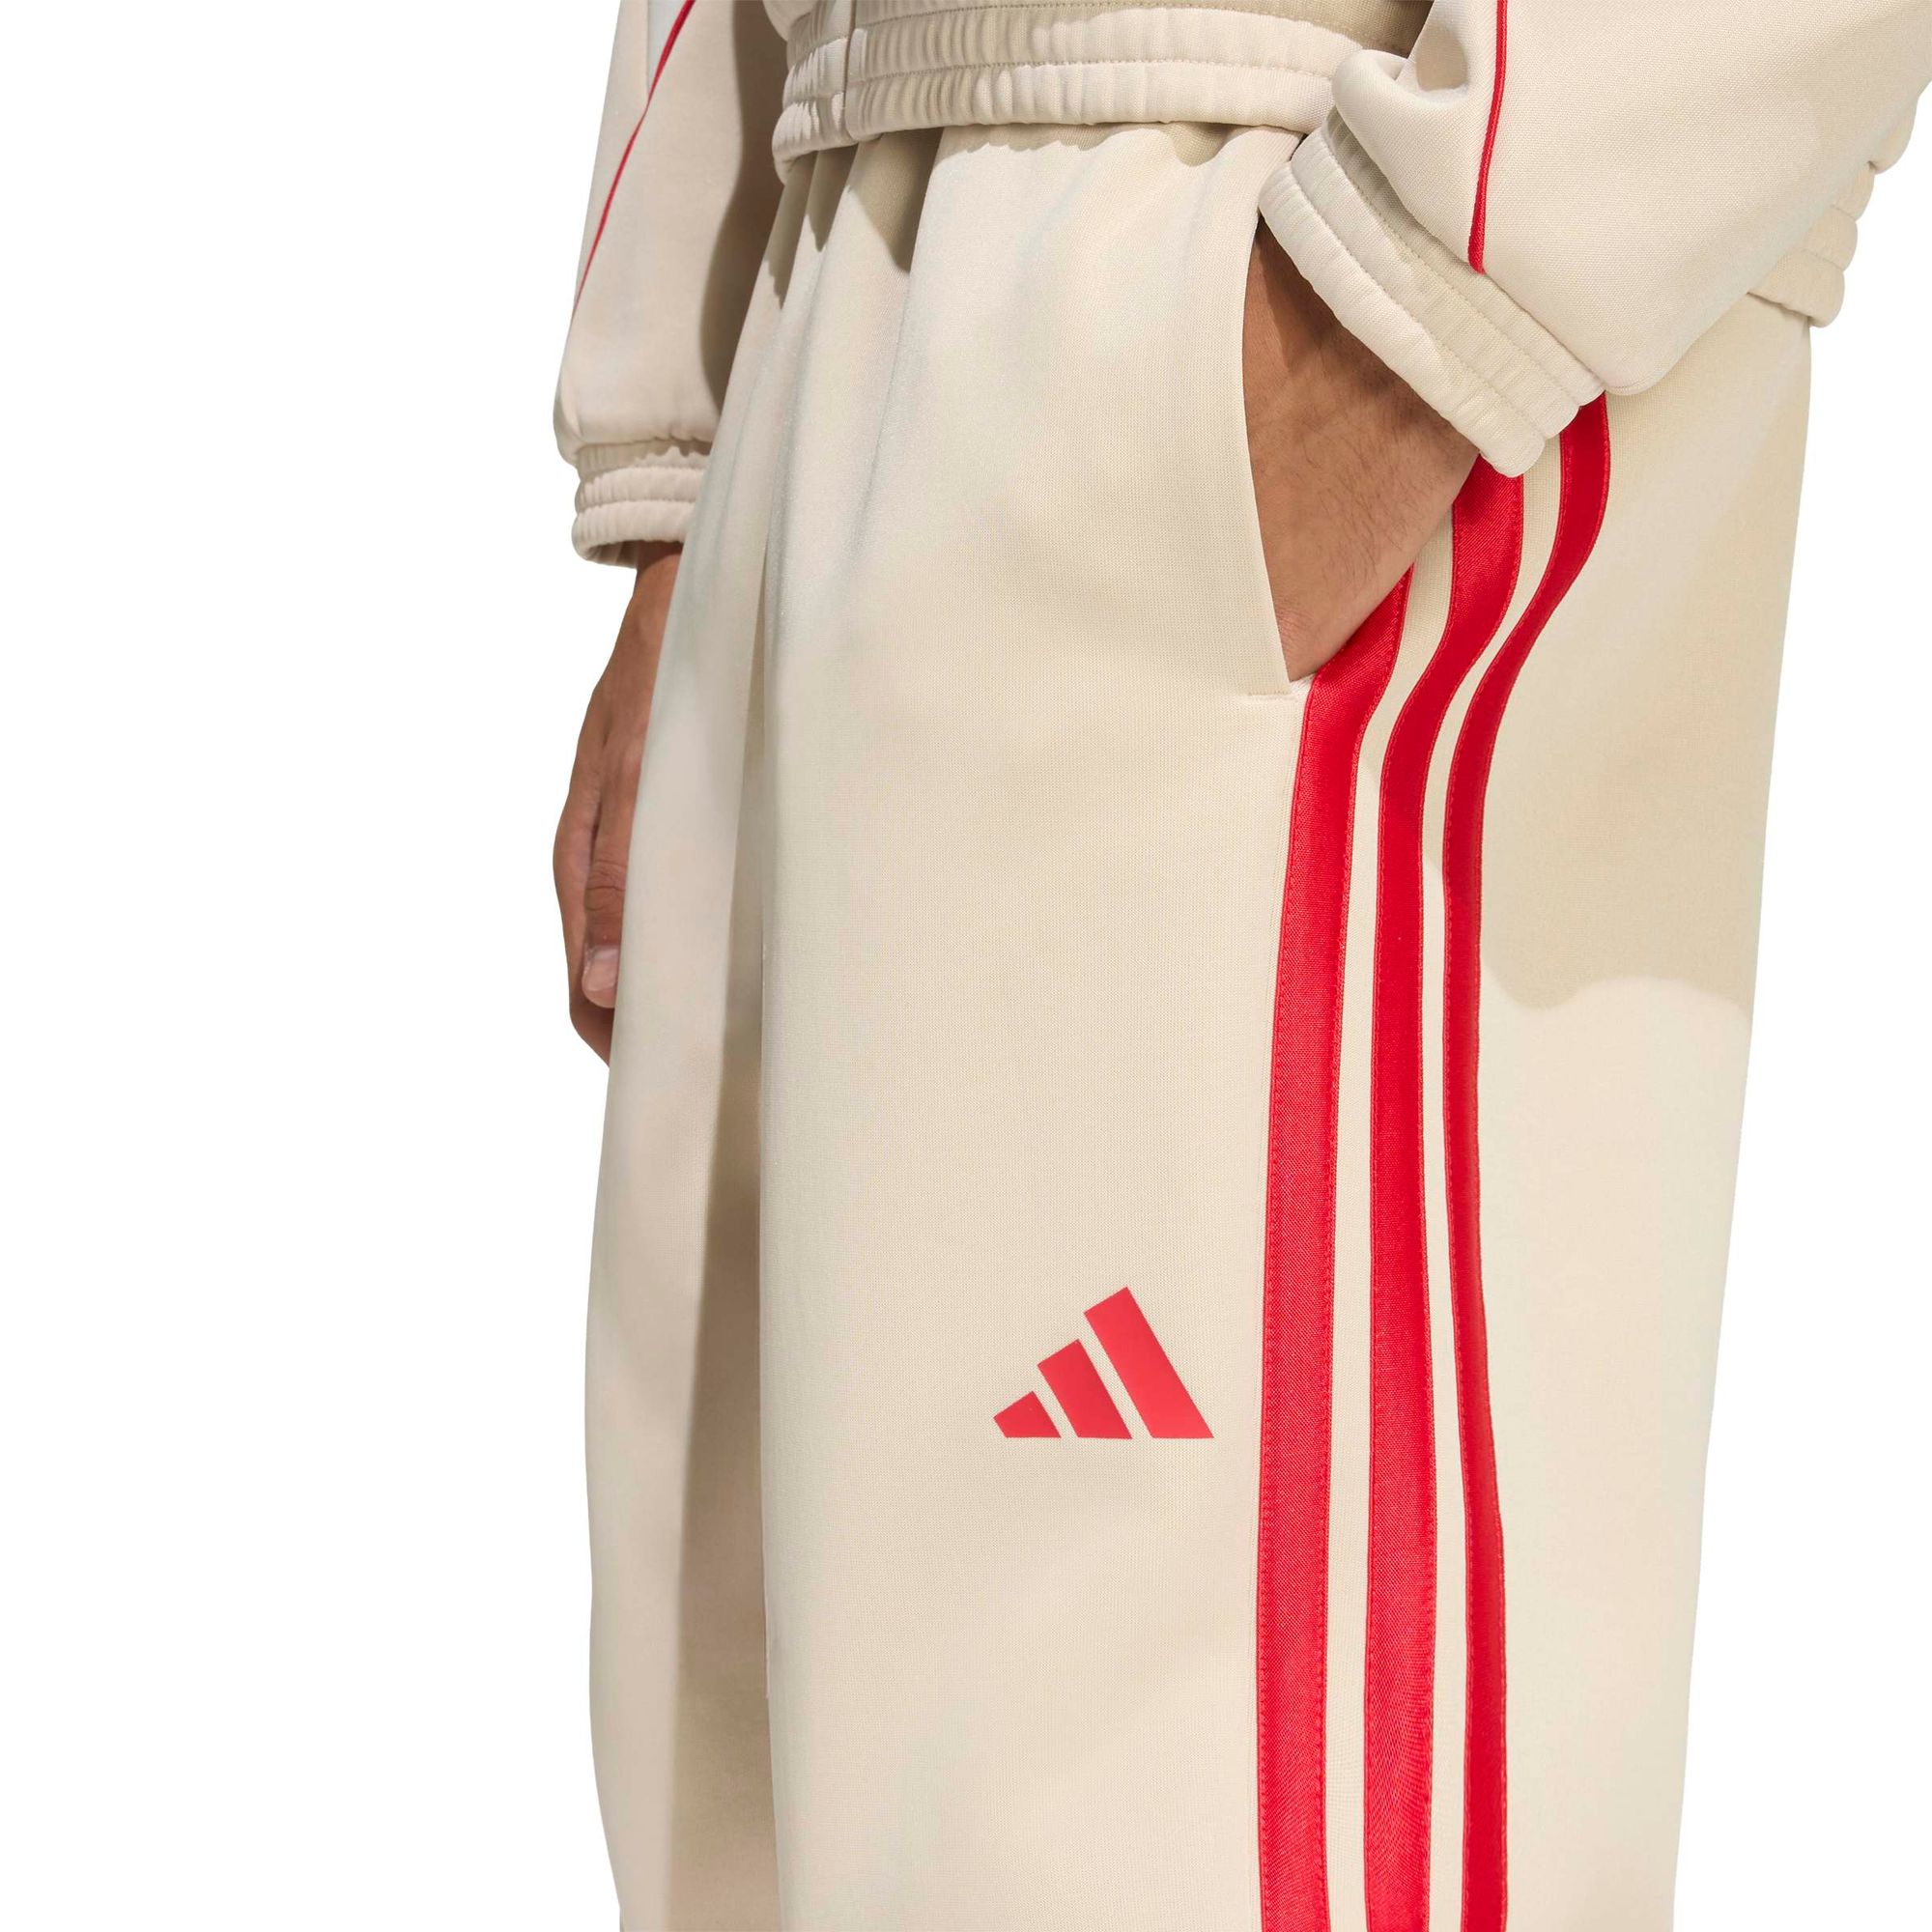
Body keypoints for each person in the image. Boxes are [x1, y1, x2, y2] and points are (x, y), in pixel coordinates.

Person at [551, 3, 1930, 1925]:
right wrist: (681, 477)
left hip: (1255, 208)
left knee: (1157, 1831)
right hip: (824, 276)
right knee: (771, 1833)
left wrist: (1437, 295)